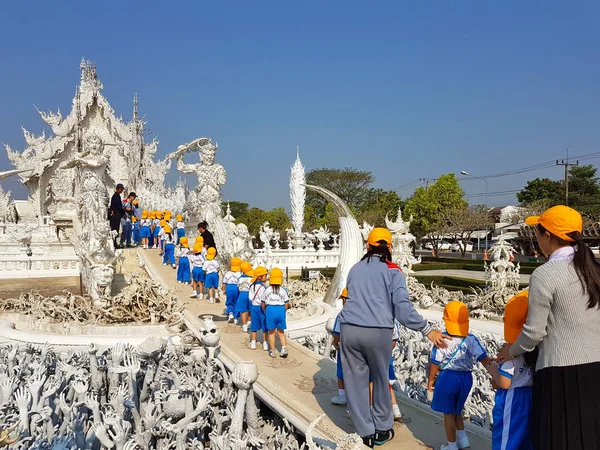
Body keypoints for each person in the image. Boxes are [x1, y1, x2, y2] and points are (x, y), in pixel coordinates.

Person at [497, 205, 600, 450]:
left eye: (538, 232)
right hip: (595, 369)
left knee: (558, 439)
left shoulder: (545, 274)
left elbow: (534, 332)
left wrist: (510, 352)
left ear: (548, 236)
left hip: (559, 373)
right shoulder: (593, 270)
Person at [339, 227, 450, 448]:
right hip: (377, 332)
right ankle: (382, 428)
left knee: (355, 381)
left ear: (368, 246)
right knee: (380, 380)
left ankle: (364, 433)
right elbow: (402, 309)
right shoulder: (393, 271)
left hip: (349, 329)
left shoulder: (355, 269)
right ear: (389, 247)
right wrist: (428, 330)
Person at [428, 301, 491, 450]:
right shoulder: (471, 339)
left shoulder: (442, 339)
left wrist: (430, 379)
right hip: (466, 378)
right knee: (457, 410)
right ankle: (463, 440)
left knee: (448, 414)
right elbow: (484, 358)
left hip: (448, 378)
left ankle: (451, 446)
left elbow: (435, 362)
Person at [488, 291, 535, 450]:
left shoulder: (510, 352)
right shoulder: (536, 351)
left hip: (512, 399)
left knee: (506, 439)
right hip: (530, 397)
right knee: (525, 438)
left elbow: (505, 383)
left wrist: (494, 371)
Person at [262, 267, 290, 358]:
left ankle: (273, 350)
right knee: (281, 331)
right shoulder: (283, 290)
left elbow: (263, 303)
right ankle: (284, 348)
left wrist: (265, 310)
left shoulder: (267, 290)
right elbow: (287, 303)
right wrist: (283, 310)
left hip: (270, 309)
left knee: (271, 332)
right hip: (281, 309)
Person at [331, 288, 349, 406]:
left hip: (345, 348)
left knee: (341, 372)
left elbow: (337, 333)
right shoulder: (363, 313)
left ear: (344, 299)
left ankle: (342, 395)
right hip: (360, 348)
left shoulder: (342, 315)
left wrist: (335, 343)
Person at [248, 266, 268, 351]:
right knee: (264, 326)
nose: (266, 277)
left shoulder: (252, 286)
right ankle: (265, 343)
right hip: (261, 308)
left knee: (254, 326)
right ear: (260, 277)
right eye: (265, 276)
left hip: (254, 307)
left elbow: (250, 297)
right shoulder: (263, 288)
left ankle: (253, 342)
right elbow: (264, 299)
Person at [222, 257, 242, 323]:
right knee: (236, 302)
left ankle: (230, 314)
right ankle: (236, 317)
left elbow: (224, 282)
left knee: (229, 301)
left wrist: (223, 289)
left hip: (229, 287)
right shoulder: (240, 274)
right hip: (237, 288)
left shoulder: (228, 273)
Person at [236, 262, 253, 332]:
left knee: (243, 311)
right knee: (250, 309)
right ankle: (249, 322)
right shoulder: (251, 279)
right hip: (250, 294)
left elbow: (238, 287)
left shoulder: (239, 278)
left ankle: (244, 325)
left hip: (242, 294)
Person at [109, 183, 126, 248]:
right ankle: (114, 244)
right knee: (115, 229)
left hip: (116, 215)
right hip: (116, 215)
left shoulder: (116, 196)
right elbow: (118, 207)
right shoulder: (116, 196)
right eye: (121, 189)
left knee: (115, 229)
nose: (122, 191)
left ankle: (114, 243)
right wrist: (123, 212)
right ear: (118, 189)